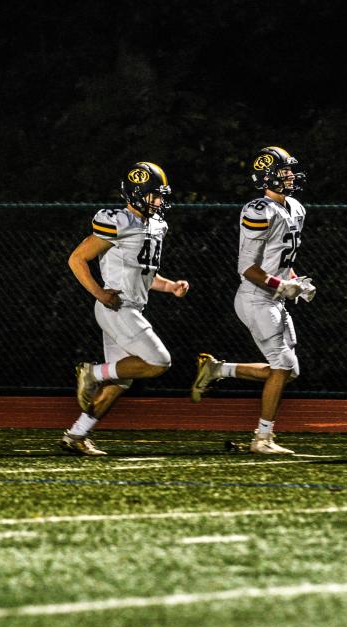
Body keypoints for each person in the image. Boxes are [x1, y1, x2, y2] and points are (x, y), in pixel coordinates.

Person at [190, 146, 315, 454]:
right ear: (268, 177)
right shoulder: (258, 209)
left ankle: (219, 370)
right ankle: (262, 438)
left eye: (289, 170)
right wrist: (280, 285)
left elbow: (281, 259)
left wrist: (295, 280)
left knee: (289, 371)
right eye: (284, 171)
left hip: (275, 299)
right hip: (256, 298)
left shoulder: (295, 207)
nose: (290, 175)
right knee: (283, 364)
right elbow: (246, 267)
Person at [62, 162, 189, 456]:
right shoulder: (118, 220)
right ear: (136, 194)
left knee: (120, 381)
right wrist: (99, 292)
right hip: (116, 306)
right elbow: (77, 259)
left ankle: (77, 434)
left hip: (131, 307)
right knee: (160, 361)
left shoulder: (156, 225)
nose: (159, 201)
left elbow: (144, 274)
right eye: (154, 195)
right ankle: (92, 372)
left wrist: (169, 286)